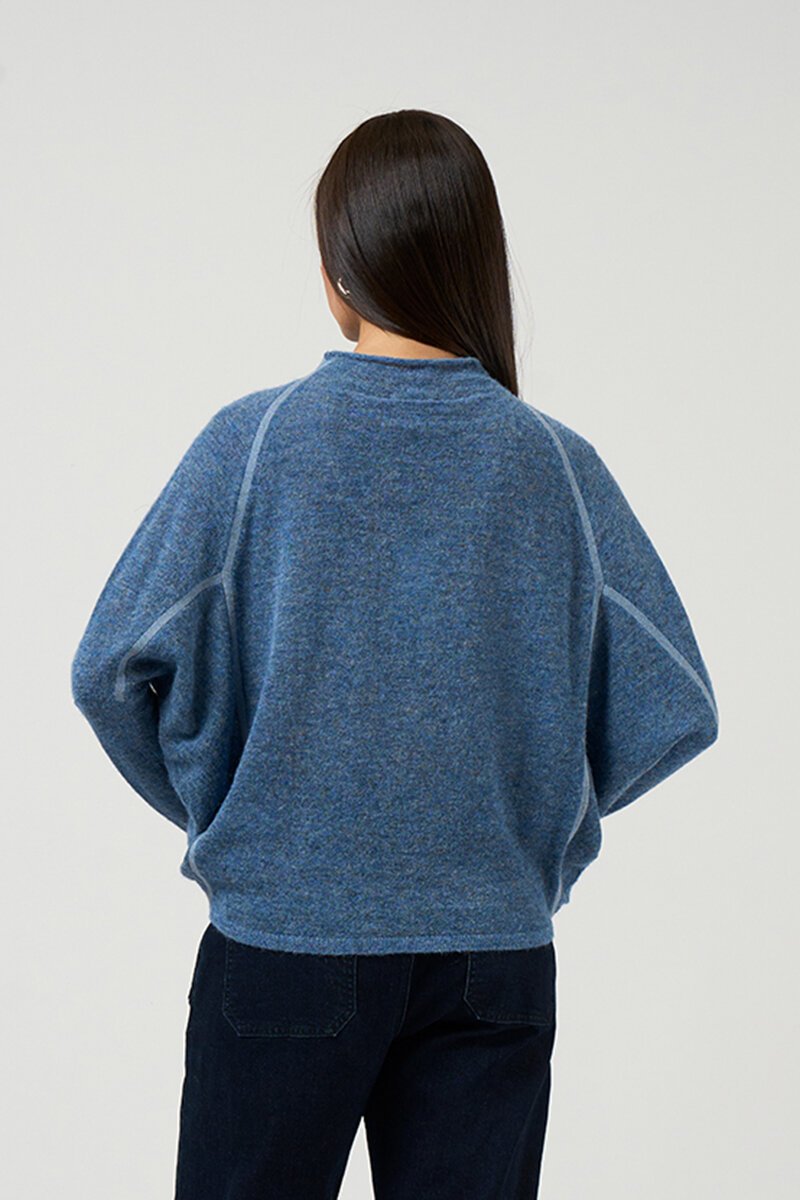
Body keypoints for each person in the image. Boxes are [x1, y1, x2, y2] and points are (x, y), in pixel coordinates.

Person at [70, 109, 719, 1199]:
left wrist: (229, 811)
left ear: (339, 274)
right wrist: (534, 826)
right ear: (476, 263)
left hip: (284, 941)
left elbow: (108, 669)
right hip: (492, 956)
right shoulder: (553, 466)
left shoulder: (255, 444)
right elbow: (675, 701)